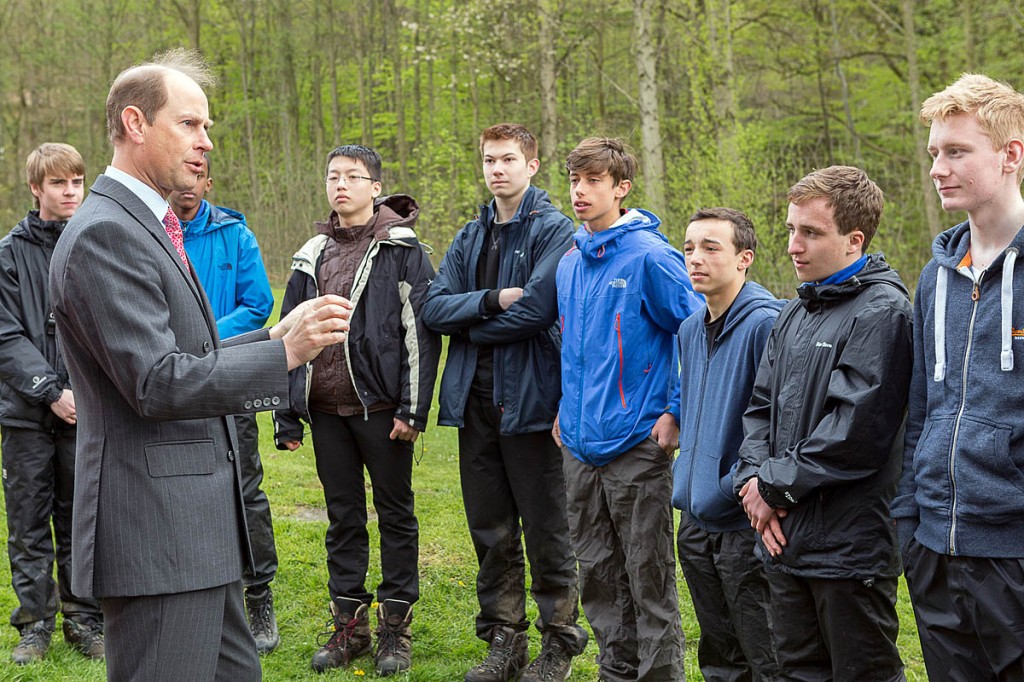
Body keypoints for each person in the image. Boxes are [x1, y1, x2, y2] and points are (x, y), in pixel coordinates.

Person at [48, 49, 352, 682]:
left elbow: (190, 359)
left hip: (200, 535)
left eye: (206, 127)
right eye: (189, 124)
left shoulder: (150, 225)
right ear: (135, 123)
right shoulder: (108, 232)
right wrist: (285, 356)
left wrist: (274, 335)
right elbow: (156, 383)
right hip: (157, 536)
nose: (205, 142)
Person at [422, 123, 588, 682]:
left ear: (532, 165)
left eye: (508, 159)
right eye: (490, 159)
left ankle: (559, 641)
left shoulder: (554, 230)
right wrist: (491, 300)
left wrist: (471, 326)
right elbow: (433, 307)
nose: (498, 169)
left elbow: (539, 310)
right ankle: (504, 639)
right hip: (475, 402)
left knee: (547, 526)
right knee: (489, 528)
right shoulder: (471, 234)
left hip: (533, 401)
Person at [733, 165, 912, 681]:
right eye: (791, 229)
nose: (793, 245)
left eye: (810, 232)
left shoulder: (882, 312)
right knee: (796, 672)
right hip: (784, 540)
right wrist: (753, 484)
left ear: (854, 240)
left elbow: (856, 432)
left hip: (847, 548)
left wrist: (772, 488)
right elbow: (760, 407)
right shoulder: (795, 311)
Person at [274, 144, 440, 676]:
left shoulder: (402, 249)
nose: (340, 185)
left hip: (382, 408)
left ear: (375, 187)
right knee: (343, 518)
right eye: (332, 177)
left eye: (352, 177)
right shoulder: (311, 253)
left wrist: (413, 410)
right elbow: (290, 333)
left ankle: (396, 627)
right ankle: (350, 627)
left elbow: (421, 335)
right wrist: (286, 412)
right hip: (327, 411)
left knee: (395, 514)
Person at [553, 137, 700, 682]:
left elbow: (698, 334)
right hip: (580, 447)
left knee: (648, 576)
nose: (581, 191)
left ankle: (660, 676)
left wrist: (678, 412)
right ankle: (616, 672)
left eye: (594, 181)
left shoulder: (653, 258)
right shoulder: (570, 263)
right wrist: (566, 412)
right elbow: (573, 348)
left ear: (622, 188)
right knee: (596, 574)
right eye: (574, 180)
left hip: (637, 443)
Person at [893, 74, 1024, 681]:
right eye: (934, 154)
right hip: (935, 550)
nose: (938, 168)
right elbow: (918, 410)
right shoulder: (934, 277)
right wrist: (908, 528)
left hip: (1013, 551)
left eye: (956, 151)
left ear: (1011, 154)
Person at [168, 153, 280, 654]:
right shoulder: (154, 234)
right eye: (182, 177)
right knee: (183, 489)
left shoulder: (235, 233)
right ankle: (200, 590)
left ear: (208, 182)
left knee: (244, 488)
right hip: (173, 380)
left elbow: (257, 305)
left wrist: (205, 341)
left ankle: (259, 593)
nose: (189, 185)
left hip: (229, 376)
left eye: (198, 177)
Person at [0, 143, 104, 664]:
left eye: (77, 182)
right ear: (37, 188)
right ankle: (35, 625)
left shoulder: (94, 245)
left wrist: (82, 392)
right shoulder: (8, 253)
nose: (69, 192)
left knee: (81, 519)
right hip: (25, 413)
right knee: (28, 519)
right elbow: (5, 335)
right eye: (59, 184)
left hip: (86, 409)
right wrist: (50, 390)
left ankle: (84, 620)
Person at [672, 207, 783, 681]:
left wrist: (731, 487)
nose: (696, 258)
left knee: (766, 654)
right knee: (718, 655)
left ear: (745, 258)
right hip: (694, 521)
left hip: (743, 524)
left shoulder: (768, 324)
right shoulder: (689, 329)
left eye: (711, 248)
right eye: (690, 247)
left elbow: (777, 425)